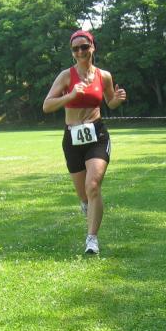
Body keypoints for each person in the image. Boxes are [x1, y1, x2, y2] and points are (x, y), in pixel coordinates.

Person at [42, 30, 127, 255]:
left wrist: (116, 100)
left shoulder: (104, 76)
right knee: (84, 195)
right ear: (72, 52)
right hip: (72, 138)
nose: (80, 51)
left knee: (93, 186)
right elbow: (47, 105)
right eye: (75, 48)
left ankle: (92, 239)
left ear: (92, 47)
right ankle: (87, 206)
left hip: (97, 135)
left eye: (84, 47)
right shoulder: (66, 76)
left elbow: (110, 101)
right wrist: (70, 96)